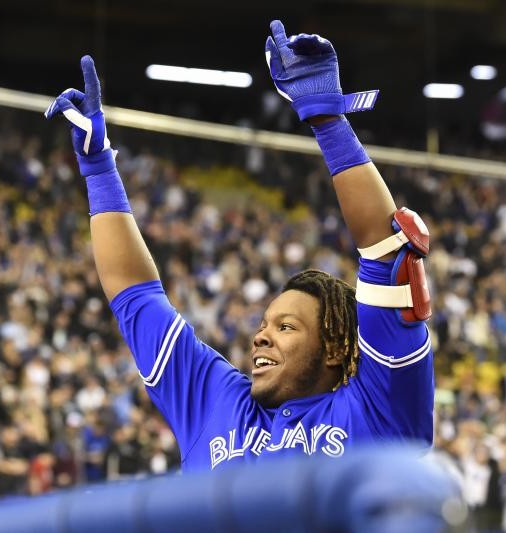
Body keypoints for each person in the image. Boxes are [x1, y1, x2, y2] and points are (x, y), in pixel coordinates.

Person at [45, 19, 434, 471]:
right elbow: (135, 294)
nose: (260, 335)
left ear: (334, 348)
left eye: (287, 327)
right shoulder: (217, 404)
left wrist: (329, 122)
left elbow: (386, 248)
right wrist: (98, 171)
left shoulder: (378, 413)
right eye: (267, 323)